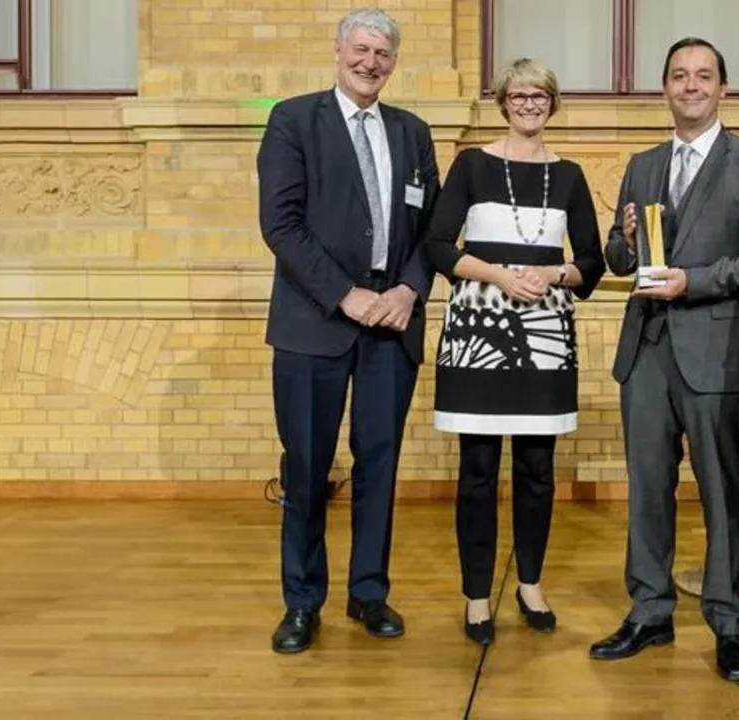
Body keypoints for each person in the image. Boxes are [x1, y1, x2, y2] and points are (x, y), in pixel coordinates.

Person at [588, 37, 739, 681]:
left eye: (704, 76)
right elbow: (619, 258)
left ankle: (730, 625)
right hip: (647, 351)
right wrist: (623, 242)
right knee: (648, 489)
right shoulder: (643, 164)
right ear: (666, 88)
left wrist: (693, 282)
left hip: (719, 351)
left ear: (723, 89)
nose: (691, 85)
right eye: (679, 75)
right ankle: (650, 611)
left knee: (723, 493)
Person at [256, 7, 441, 654]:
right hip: (315, 325)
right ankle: (302, 602)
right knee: (307, 467)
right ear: (338, 52)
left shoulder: (412, 132)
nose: (370, 62)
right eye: (360, 50)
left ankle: (368, 592)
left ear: (394, 62)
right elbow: (281, 225)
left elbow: (433, 229)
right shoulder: (292, 121)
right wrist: (346, 295)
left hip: (392, 324)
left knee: (379, 464)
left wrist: (408, 289)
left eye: (382, 54)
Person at [424, 58, 605, 646]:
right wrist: (501, 276)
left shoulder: (570, 175)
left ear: (552, 103)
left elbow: (593, 262)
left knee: (537, 470)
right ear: (503, 102)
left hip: (545, 335)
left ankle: (530, 584)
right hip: (477, 331)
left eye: (539, 95)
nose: (529, 104)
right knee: (477, 471)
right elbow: (436, 245)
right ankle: (477, 596)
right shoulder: (471, 164)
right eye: (519, 95)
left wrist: (554, 274)